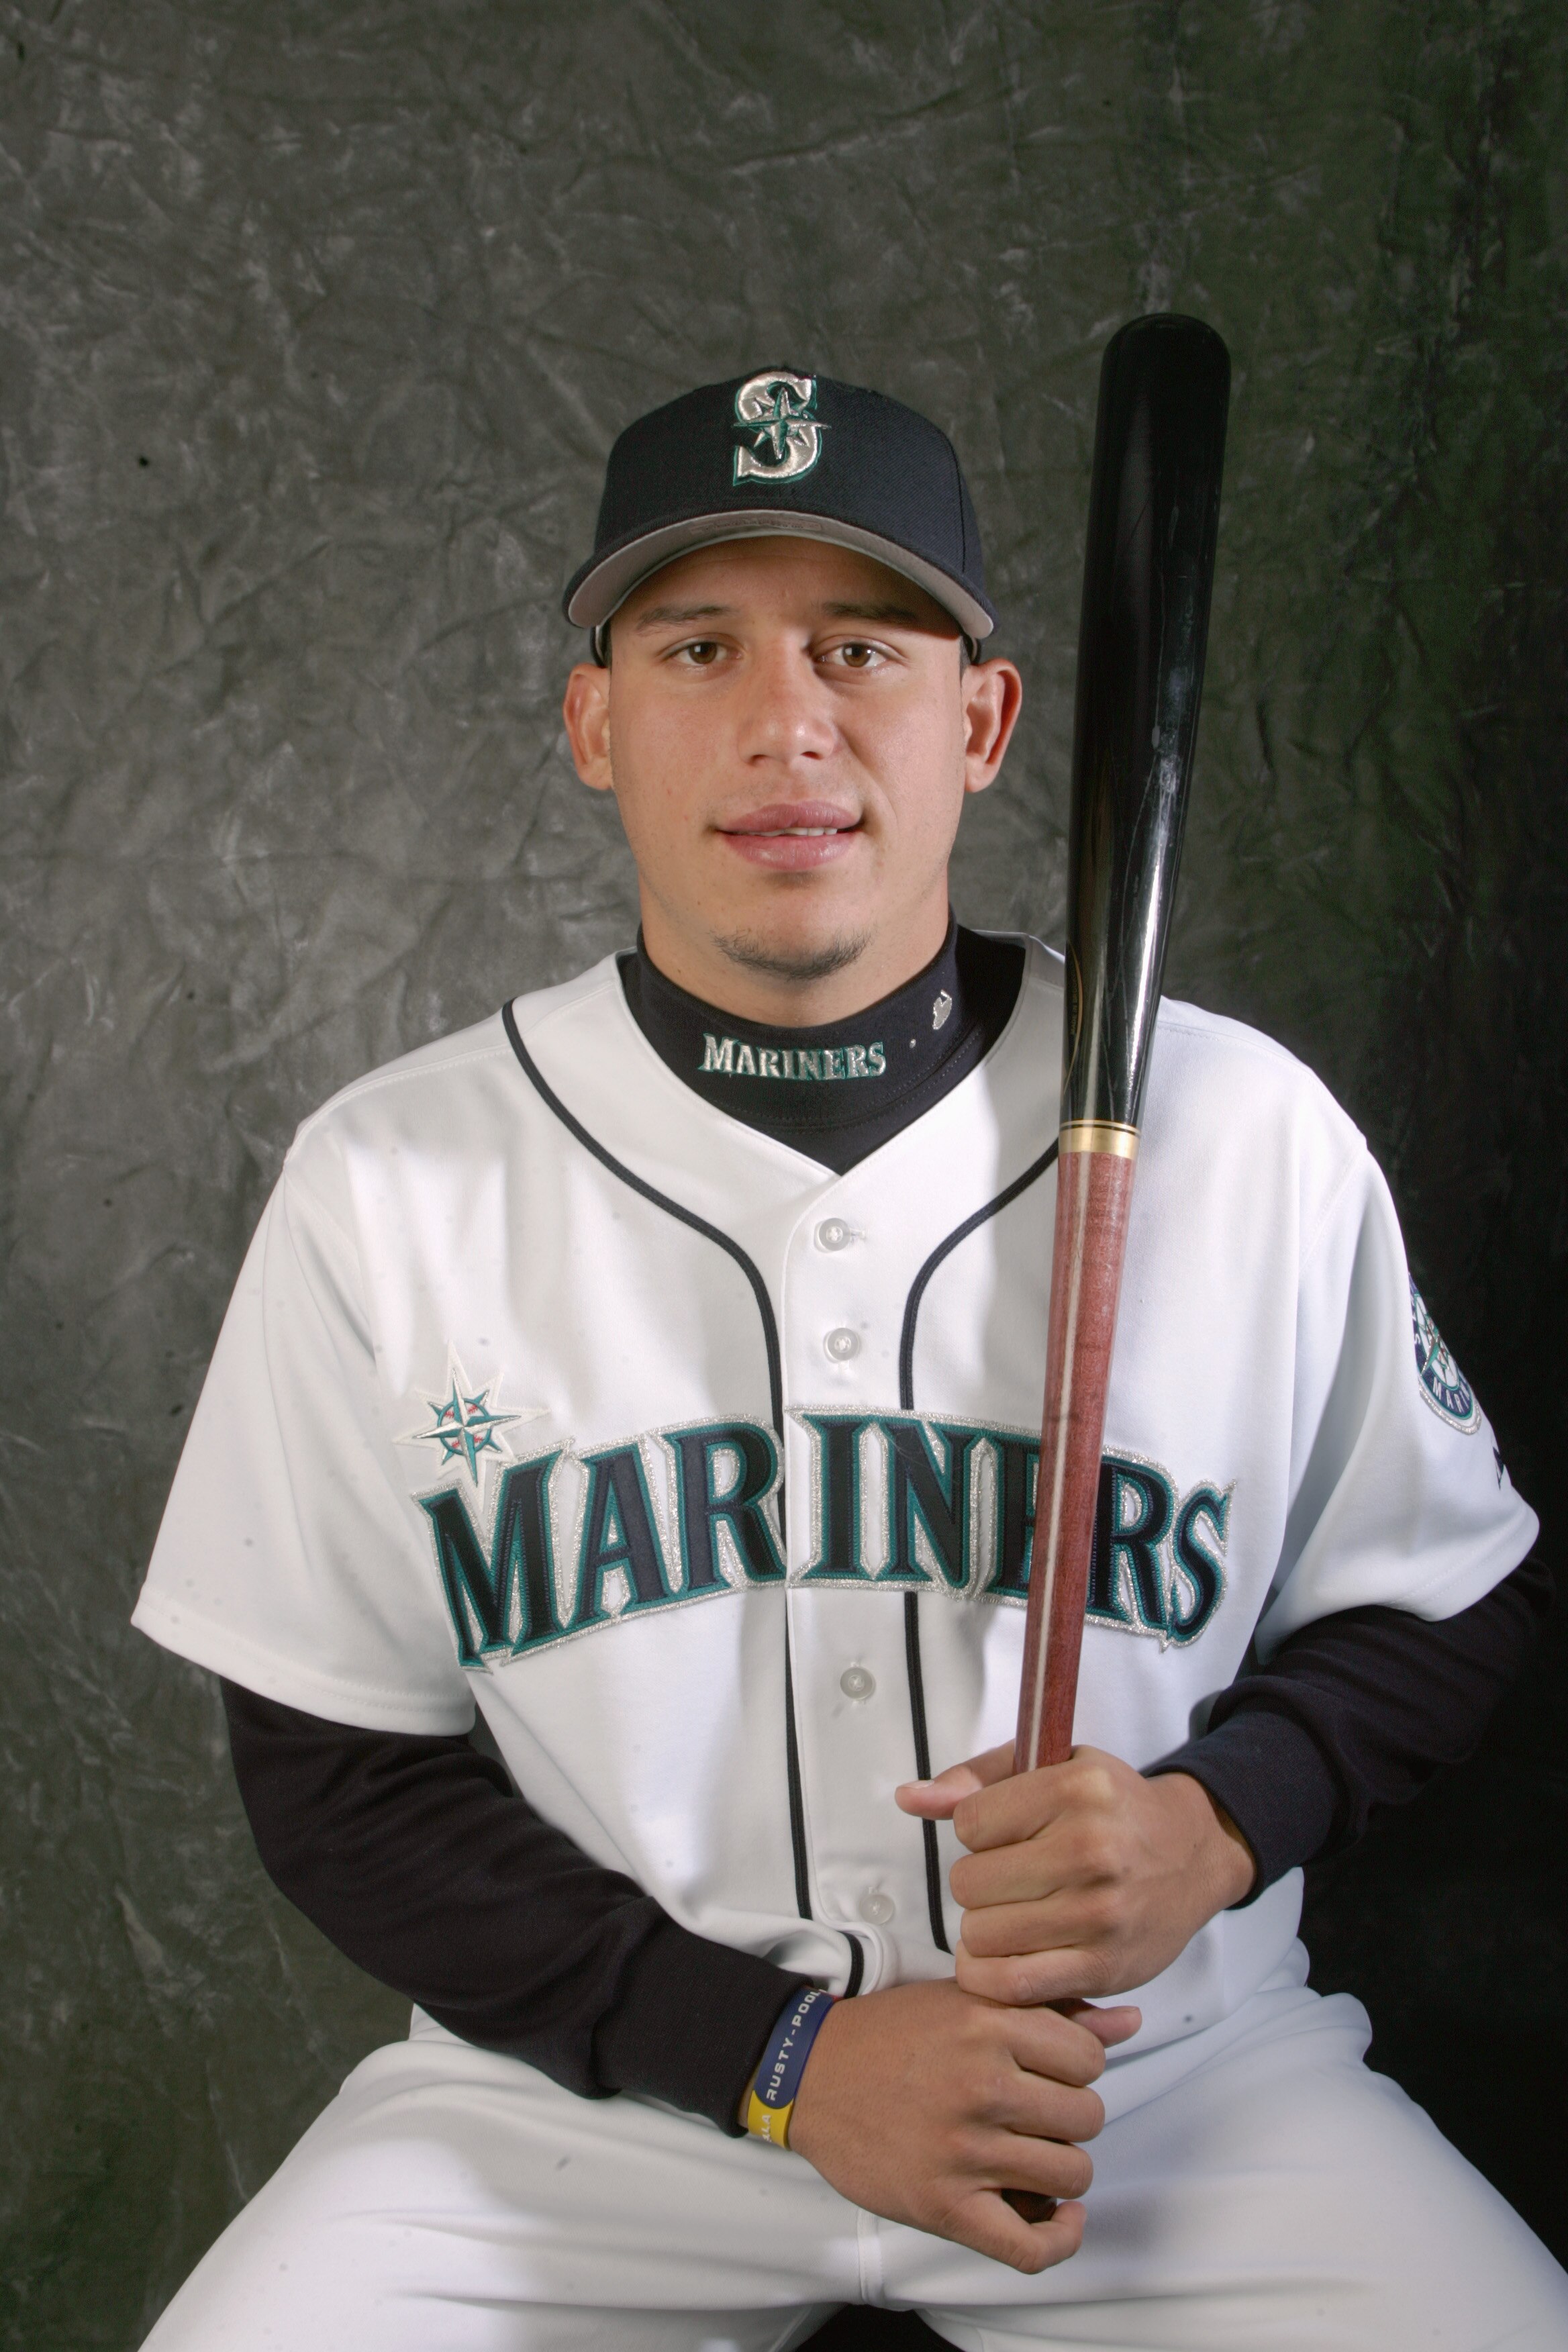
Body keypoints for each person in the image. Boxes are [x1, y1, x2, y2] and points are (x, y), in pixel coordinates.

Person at [132, 370, 1567, 2349]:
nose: (785, 719)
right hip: (584, 2117)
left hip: (1161, 2088)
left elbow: (1445, 1604)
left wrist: (1219, 1819)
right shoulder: (400, 1177)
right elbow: (337, 1772)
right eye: (700, 644)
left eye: (861, 646)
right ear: (595, 724)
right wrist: (781, 2055)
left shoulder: (1244, 1133)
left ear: (978, 722)